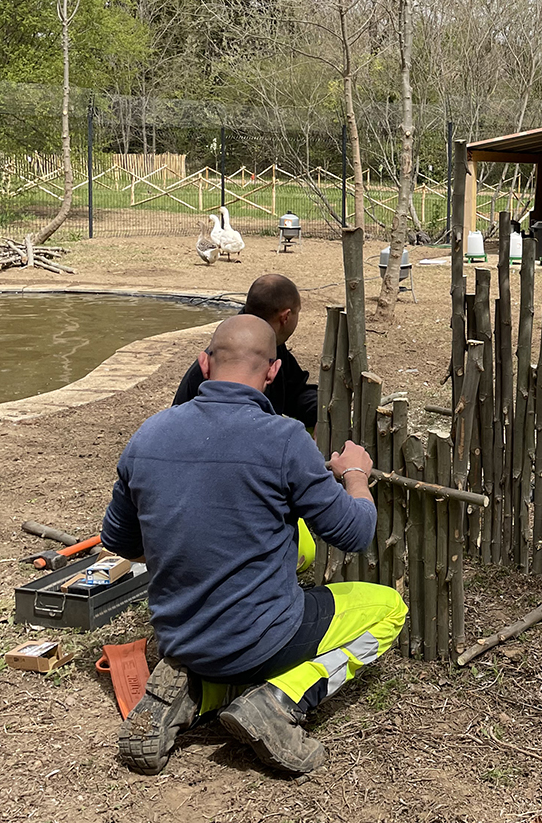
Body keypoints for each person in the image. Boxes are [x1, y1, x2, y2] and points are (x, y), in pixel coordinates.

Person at [102, 314, 405, 776]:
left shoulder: (149, 435)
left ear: (204, 365)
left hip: (178, 635)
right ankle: (278, 700)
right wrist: (355, 474)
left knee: (294, 545)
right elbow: (356, 533)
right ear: (273, 371)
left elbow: (122, 542)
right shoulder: (284, 439)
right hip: (260, 641)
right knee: (388, 608)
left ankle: (193, 691)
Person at [173, 273, 317, 430]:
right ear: (286, 317)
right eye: (298, 312)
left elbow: (295, 392)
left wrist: (321, 414)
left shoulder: (271, 343)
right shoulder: (234, 360)